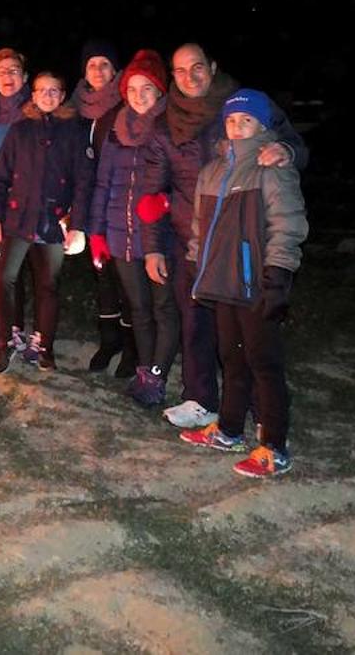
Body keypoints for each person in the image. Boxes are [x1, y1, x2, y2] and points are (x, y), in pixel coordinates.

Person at [138, 42, 309, 429]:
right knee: (195, 322)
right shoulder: (165, 122)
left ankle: (256, 405)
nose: (189, 77)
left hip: (245, 242)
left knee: (247, 333)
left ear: (212, 67)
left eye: (196, 67)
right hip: (192, 239)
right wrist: (153, 247)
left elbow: (294, 144)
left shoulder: (243, 104)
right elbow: (153, 189)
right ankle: (201, 398)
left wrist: (285, 150)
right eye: (179, 71)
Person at [179, 89, 308, 478]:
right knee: (231, 357)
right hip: (222, 281)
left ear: (262, 125)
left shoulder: (271, 166)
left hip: (257, 282)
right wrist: (194, 264)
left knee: (263, 362)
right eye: (232, 121)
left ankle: (274, 444)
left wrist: (278, 275)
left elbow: (289, 223)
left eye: (246, 120)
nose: (237, 127)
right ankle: (230, 429)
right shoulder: (213, 169)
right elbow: (201, 227)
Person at [88, 49, 180, 403]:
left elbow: (186, 180)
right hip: (118, 234)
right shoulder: (116, 130)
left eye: (147, 88)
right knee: (138, 308)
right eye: (133, 88)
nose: (139, 95)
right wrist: (96, 233)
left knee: (163, 307)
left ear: (160, 91)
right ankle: (146, 371)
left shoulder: (170, 128)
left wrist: (167, 202)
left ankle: (158, 372)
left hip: (158, 237)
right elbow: (102, 183)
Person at [0, 72, 93, 373]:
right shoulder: (20, 131)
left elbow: (84, 182)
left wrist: (77, 224)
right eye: (41, 90)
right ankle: (5, 340)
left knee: (48, 285)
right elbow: (0, 178)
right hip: (18, 219)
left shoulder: (74, 131)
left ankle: (44, 345)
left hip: (54, 221)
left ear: (61, 96)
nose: (47, 96)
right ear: (32, 95)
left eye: (54, 90)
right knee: (3, 279)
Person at [71, 39, 139, 375]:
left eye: (104, 65)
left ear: (115, 71)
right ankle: (108, 339)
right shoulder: (76, 108)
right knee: (102, 275)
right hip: (88, 203)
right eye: (91, 65)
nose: (98, 71)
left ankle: (131, 347)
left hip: (119, 203)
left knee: (125, 277)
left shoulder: (126, 106)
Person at [0, 47, 36, 359]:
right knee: (7, 272)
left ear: (25, 77)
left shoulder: (35, 109)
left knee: (35, 273)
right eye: (2, 71)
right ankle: (13, 330)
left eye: (14, 70)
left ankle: (39, 337)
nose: (8, 76)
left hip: (32, 204)